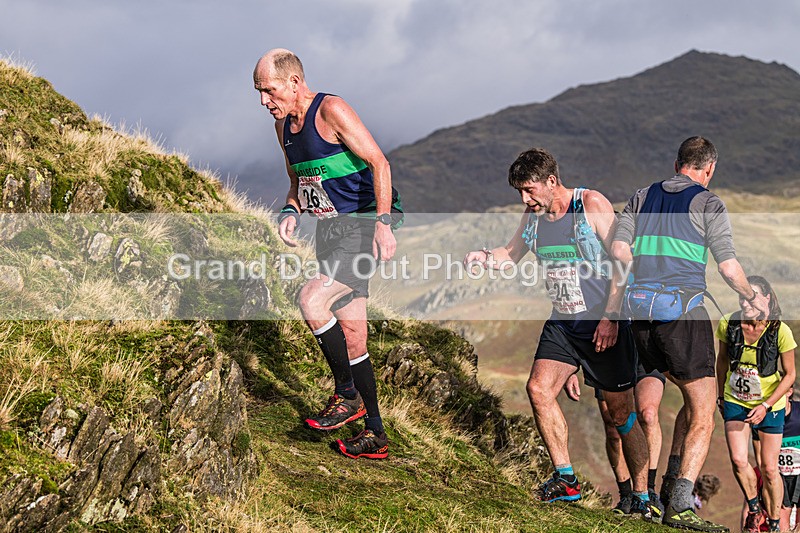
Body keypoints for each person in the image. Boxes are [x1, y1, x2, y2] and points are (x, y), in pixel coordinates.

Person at [464, 148, 659, 521]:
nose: (525, 199)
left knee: (621, 414)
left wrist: (612, 316)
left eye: (529, 190)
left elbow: (623, 260)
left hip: (603, 322)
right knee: (538, 389)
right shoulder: (533, 217)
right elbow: (511, 253)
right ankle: (566, 478)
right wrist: (484, 257)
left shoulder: (590, 205)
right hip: (563, 321)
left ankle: (642, 495)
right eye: (519, 192)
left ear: (552, 181)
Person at [611, 136, 770, 532]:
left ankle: (656, 493)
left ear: (677, 162)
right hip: (682, 314)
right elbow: (728, 268)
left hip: (639, 316)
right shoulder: (708, 203)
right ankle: (680, 505)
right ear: (709, 169)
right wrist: (753, 296)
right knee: (703, 410)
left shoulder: (641, 196)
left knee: (667, 405)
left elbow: (618, 250)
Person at [253, 49, 400, 459]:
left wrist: (385, 225)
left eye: (270, 90)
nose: (265, 101)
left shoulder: (331, 109)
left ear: (295, 83)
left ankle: (347, 394)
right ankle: (375, 434)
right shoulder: (283, 128)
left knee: (311, 299)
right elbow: (298, 182)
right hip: (332, 232)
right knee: (353, 335)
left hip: (364, 224)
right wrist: (290, 210)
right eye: (259, 93)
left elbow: (379, 163)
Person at [716, 276, 796, 532]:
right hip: (735, 399)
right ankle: (753, 508)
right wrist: (720, 395)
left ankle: (773, 521)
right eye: (742, 296)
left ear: (767, 298)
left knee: (769, 469)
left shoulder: (780, 330)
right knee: (739, 461)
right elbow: (722, 361)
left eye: (751, 296)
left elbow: (790, 374)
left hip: (769, 404)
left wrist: (768, 405)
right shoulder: (729, 323)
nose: (745, 301)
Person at [564, 368, 665, 514]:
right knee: (613, 428)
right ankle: (626, 495)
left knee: (648, 415)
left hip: (643, 355)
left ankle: (648, 490)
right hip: (611, 358)